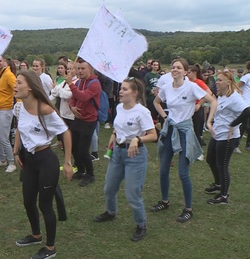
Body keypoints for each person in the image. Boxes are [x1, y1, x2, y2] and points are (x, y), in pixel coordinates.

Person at [12, 70, 73, 259]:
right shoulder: (19, 107)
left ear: (30, 86)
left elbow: (66, 132)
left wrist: (68, 162)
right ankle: (36, 235)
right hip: (28, 160)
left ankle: (50, 248)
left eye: (19, 82)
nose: (15, 85)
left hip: (46, 160)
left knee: (44, 205)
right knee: (28, 201)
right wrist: (15, 151)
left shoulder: (45, 109)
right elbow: (19, 130)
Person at [151, 58, 216, 223]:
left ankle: (188, 209)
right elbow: (156, 102)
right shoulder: (166, 88)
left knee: (183, 173)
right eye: (173, 67)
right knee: (163, 169)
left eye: (178, 67)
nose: (175, 70)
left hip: (185, 131)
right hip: (171, 128)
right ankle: (164, 201)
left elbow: (213, 100)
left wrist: (208, 121)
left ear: (186, 71)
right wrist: (165, 116)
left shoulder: (192, 87)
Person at [93, 77, 157, 241]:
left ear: (135, 93)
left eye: (125, 89)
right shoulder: (120, 107)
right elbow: (118, 126)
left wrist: (138, 139)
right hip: (118, 153)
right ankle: (111, 212)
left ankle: (141, 224)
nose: (121, 91)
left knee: (132, 194)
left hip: (134, 156)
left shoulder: (142, 112)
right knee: (109, 188)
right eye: (121, 88)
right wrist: (114, 134)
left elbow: (153, 135)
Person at [205, 71, 250, 204]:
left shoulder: (234, 97)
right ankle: (218, 184)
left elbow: (248, 111)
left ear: (228, 82)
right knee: (210, 160)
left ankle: (223, 196)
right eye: (217, 80)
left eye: (219, 80)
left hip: (228, 137)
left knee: (222, 165)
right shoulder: (223, 95)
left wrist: (233, 124)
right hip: (218, 133)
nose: (216, 82)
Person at [67, 57, 101, 187]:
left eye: (83, 68)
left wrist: (70, 84)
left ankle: (90, 174)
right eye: (78, 68)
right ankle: (81, 170)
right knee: (74, 147)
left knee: (83, 150)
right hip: (78, 118)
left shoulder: (94, 83)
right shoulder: (79, 82)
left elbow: (84, 97)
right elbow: (73, 98)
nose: (80, 71)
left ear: (90, 69)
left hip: (89, 120)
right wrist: (72, 106)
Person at [0, 56, 17, 173]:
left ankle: (11, 162)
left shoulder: (9, 75)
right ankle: (2, 160)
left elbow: (17, 89)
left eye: (0, 61)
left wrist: (19, 104)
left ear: (5, 63)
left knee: (3, 138)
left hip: (5, 110)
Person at [234, 60, 250, 153]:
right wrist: (239, 95)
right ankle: (236, 145)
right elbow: (237, 86)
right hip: (245, 105)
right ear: (249, 70)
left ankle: (248, 145)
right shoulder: (246, 78)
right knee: (244, 125)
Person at [187, 63, 213, 150]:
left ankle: (199, 150)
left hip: (197, 109)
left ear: (194, 73)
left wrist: (199, 103)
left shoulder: (199, 82)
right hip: (189, 108)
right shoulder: (188, 82)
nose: (187, 73)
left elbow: (209, 93)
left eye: (189, 72)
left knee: (196, 131)